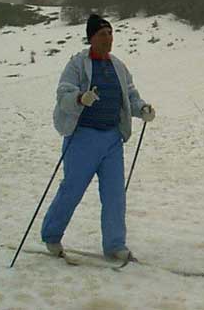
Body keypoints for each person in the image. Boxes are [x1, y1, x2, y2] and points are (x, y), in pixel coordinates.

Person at [41, 14, 156, 261]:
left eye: (110, 33)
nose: (108, 38)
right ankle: (51, 235)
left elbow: (130, 96)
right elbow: (63, 93)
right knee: (72, 190)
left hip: (112, 139)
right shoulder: (77, 64)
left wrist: (142, 109)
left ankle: (115, 245)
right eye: (102, 34)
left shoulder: (118, 66)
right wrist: (81, 98)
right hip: (82, 138)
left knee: (115, 194)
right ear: (91, 38)